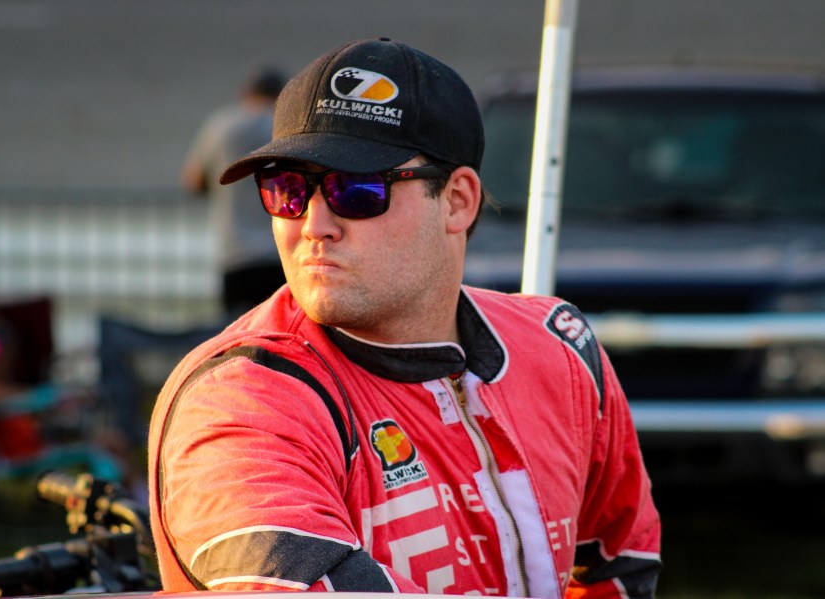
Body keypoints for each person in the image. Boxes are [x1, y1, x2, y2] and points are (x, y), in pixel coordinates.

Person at [150, 38, 662, 598]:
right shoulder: (242, 400)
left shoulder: (559, 349)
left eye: (356, 189)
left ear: (458, 201)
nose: (314, 225)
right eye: (287, 189)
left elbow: (620, 569)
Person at [181, 65, 288, 316]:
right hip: (280, 252)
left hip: (236, 253)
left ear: (246, 93)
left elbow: (193, 181)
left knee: (238, 328)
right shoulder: (285, 126)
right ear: (281, 96)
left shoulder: (221, 126)